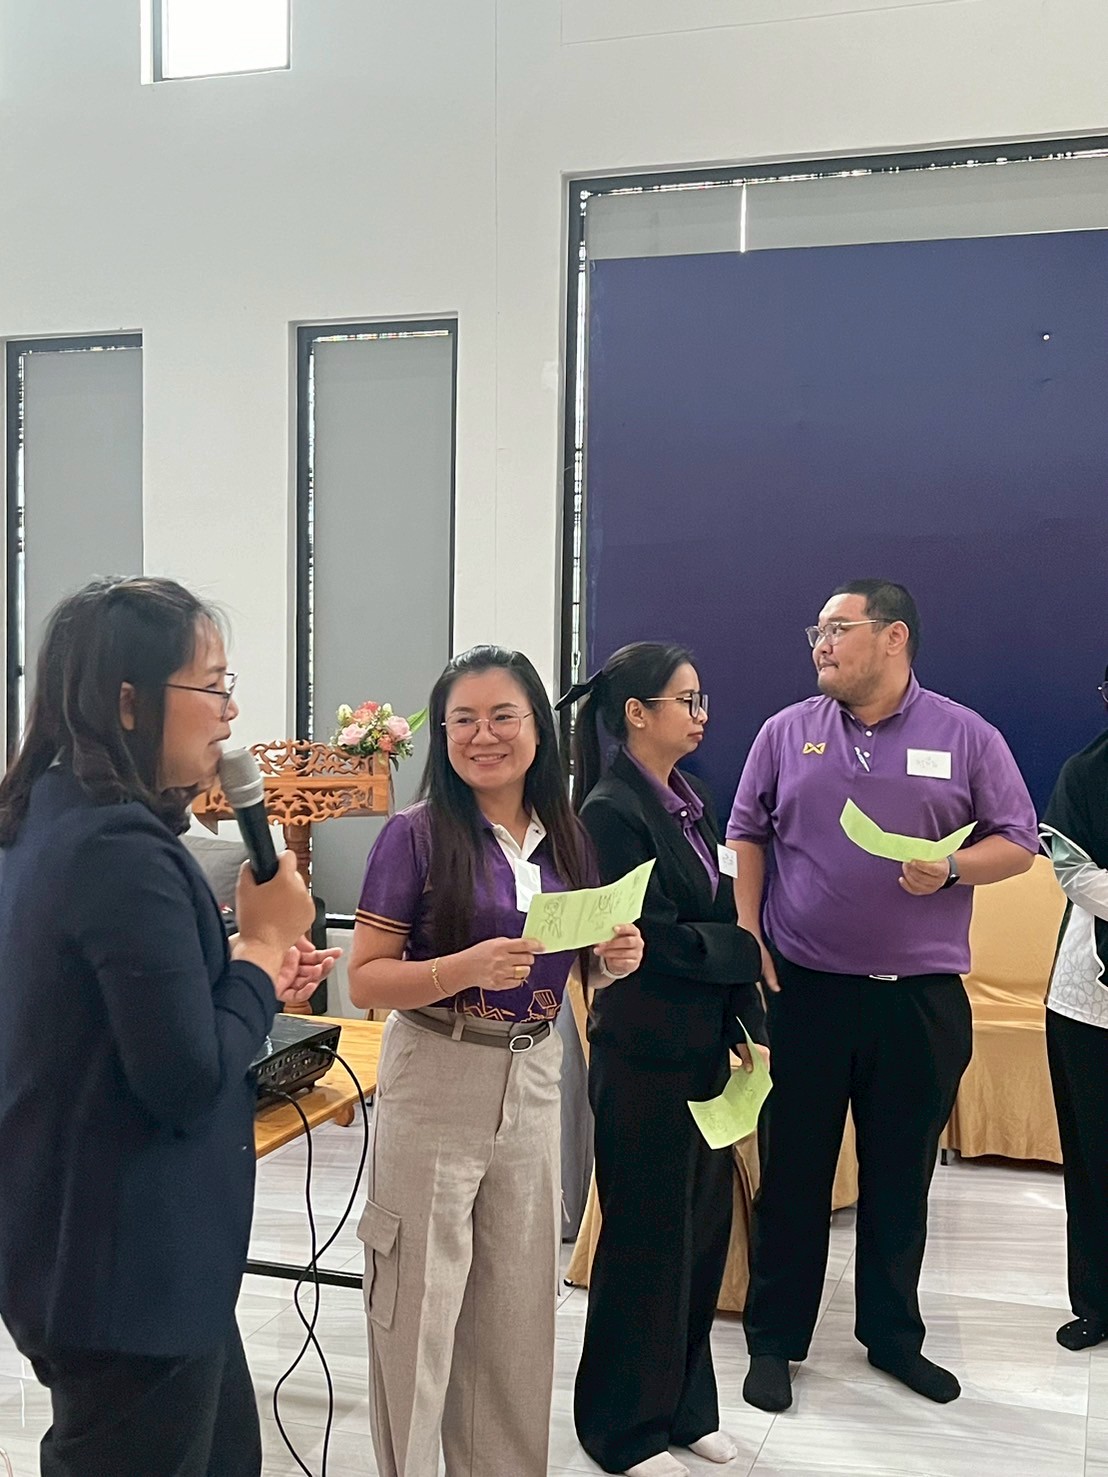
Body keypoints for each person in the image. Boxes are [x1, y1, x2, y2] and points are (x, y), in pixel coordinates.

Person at [0, 576, 338, 1477]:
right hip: (128, 1272)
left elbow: (113, 1018)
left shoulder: (48, 816)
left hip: (117, 1253)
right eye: (213, 685)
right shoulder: (119, 848)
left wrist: (246, 973)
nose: (232, 711)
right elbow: (185, 1079)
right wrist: (258, 950)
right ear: (128, 700)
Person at [727, 579, 1038, 1413]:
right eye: (817, 631)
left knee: (901, 1179)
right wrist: (749, 930)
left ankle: (893, 1336)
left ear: (893, 636)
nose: (821, 644)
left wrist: (954, 867)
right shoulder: (786, 731)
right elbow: (746, 832)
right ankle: (773, 1339)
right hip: (807, 993)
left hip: (919, 1002)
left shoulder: (965, 734)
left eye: (838, 628)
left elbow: (1018, 840)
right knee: (794, 1173)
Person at [347, 644, 643, 1477]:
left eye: (503, 715)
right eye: (464, 720)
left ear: (537, 727)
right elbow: (365, 977)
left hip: (537, 1069)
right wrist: (462, 968)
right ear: (442, 735)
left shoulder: (568, 835)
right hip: (438, 1069)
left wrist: (611, 957)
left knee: (516, 1308)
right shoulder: (414, 836)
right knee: (418, 1302)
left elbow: (573, 957)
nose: (484, 735)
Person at [561, 643, 766, 1477]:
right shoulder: (612, 811)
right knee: (646, 1243)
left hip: (704, 1050)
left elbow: (711, 919)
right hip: (644, 1055)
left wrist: (745, 1013)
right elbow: (652, 944)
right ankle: (622, 1428)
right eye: (686, 698)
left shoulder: (691, 800)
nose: (700, 712)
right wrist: (739, 952)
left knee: (700, 1236)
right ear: (637, 714)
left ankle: (686, 1408)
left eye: (702, 696)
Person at [1041, 670, 1108, 1352]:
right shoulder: (1085, 772)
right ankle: (1096, 1301)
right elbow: (1073, 871)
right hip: (1090, 998)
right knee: (1092, 1157)